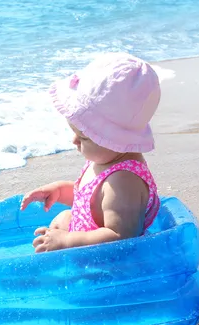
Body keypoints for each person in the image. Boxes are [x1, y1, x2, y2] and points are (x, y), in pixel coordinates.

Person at [20, 53, 162, 253]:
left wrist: (67, 241)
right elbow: (91, 201)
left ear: (115, 139)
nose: (74, 141)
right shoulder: (107, 157)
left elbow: (120, 236)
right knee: (63, 218)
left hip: (104, 265)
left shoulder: (123, 181)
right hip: (87, 245)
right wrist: (59, 190)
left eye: (84, 137)